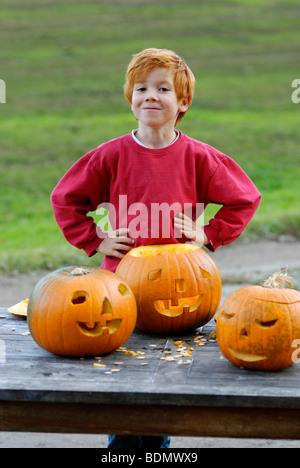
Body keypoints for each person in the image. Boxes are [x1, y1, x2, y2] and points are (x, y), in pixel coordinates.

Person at [50, 48, 261, 448]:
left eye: (163, 88)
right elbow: (65, 198)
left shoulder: (200, 157)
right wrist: (96, 239)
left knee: (164, 385)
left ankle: (159, 449)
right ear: (130, 99)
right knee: (126, 388)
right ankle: (123, 449)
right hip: (120, 294)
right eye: (141, 88)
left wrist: (206, 235)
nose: (150, 95)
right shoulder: (109, 155)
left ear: (182, 103)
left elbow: (245, 197)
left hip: (182, 295)